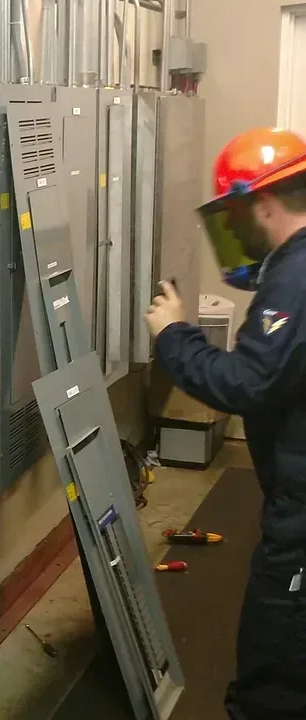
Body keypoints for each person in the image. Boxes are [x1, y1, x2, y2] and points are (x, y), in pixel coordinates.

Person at [145, 127, 306, 719]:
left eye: (239, 216)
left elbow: (247, 383)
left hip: (302, 519)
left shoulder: (297, 276)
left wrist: (173, 334)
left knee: (272, 679)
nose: (237, 231)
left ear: (262, 202)